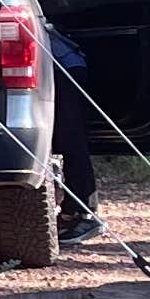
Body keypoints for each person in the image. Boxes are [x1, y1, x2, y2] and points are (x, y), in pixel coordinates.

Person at [50, 21, 104, 247]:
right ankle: (72, 213)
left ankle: (84, 215)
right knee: (67, 142)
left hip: (64, 71)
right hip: (65, 66)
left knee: (71, 142)